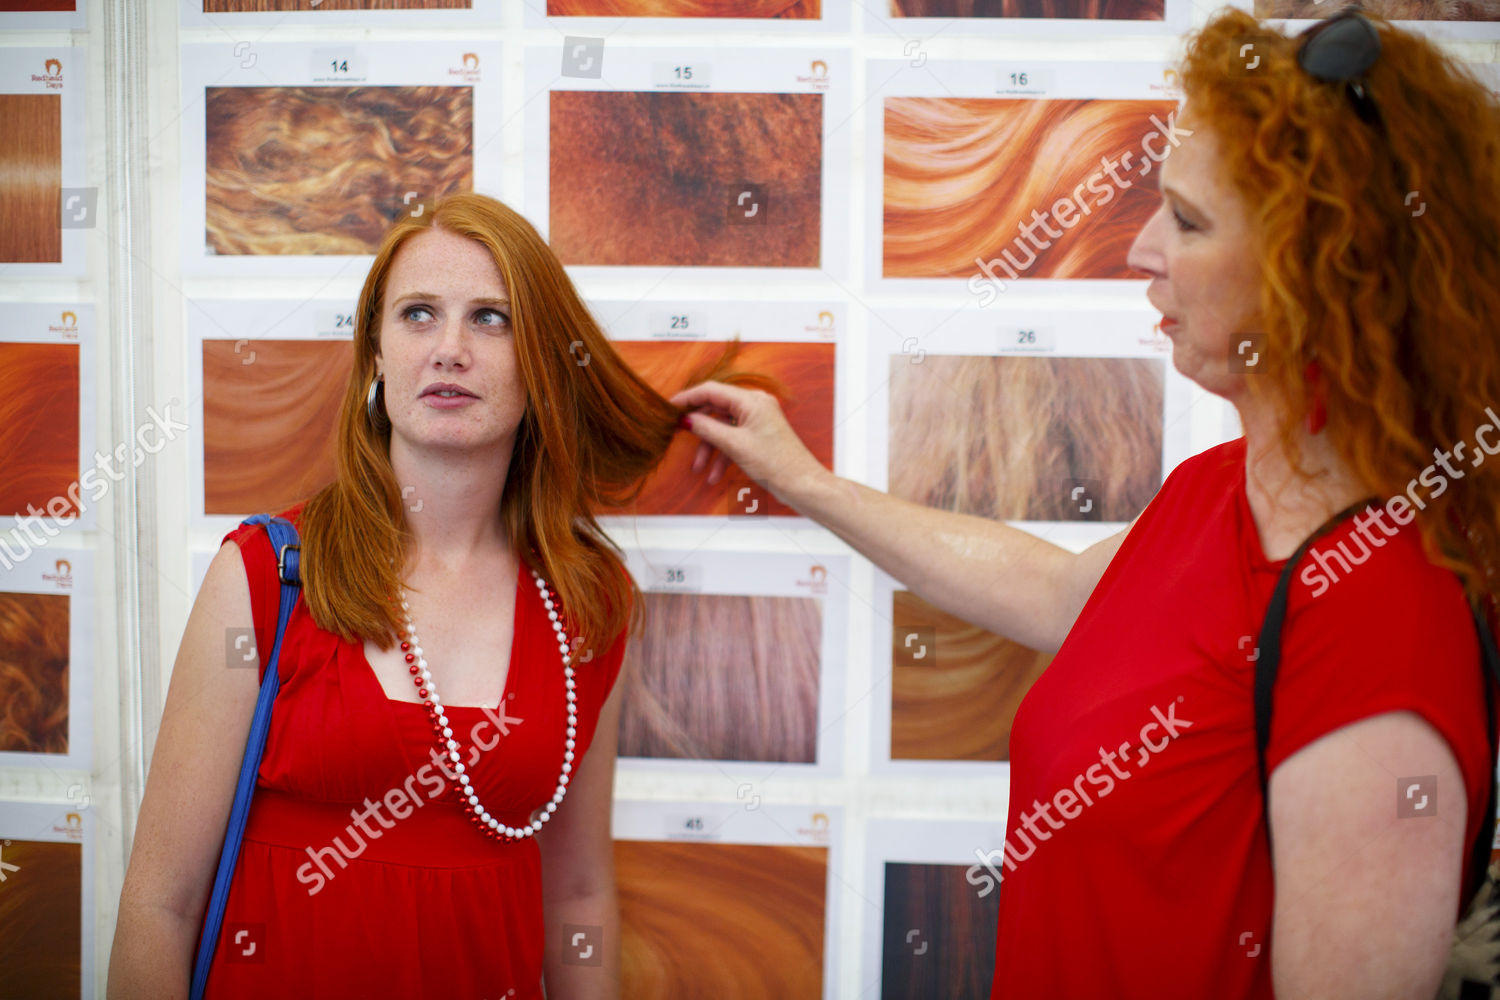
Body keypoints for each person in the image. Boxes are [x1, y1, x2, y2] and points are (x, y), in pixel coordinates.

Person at [674, 8, 1500, 998]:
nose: (1140, 250)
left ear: (1322, 272)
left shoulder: (1377, 616)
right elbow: (1056, 586)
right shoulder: (1215, 496)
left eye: (1188, 221)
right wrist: (805, 482)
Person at [107, 193, 714, 998]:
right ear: (378, 357)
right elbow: (160, 903)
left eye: (492, 319)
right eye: (419, 314)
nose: (450, 349)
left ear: (540, 360)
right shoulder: (263, 574)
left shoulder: (589, 601)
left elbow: (578, 896)